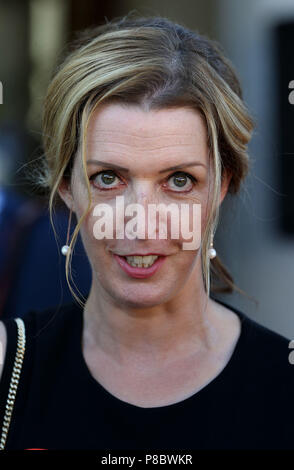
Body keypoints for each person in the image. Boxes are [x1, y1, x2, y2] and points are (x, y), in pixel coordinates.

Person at [0, 14, 293, 451]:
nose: (142, 221)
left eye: (178, 180)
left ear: (222, 186)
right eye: (108, 178)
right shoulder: (9, 365)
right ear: (66, 188)